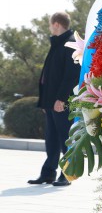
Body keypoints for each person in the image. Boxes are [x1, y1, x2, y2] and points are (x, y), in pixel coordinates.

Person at [30, 11, 77, 186]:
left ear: (56, 24)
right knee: (51, 139)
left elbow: (71, 75)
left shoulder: (70, 43)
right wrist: (45, 101)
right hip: (51, 101)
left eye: (51, 24)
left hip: (61, 102)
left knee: (65, 139)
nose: (50, 28)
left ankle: (68, 174)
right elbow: (49, 75)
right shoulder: (57, 44)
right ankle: (48, 173)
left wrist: (62, 99)